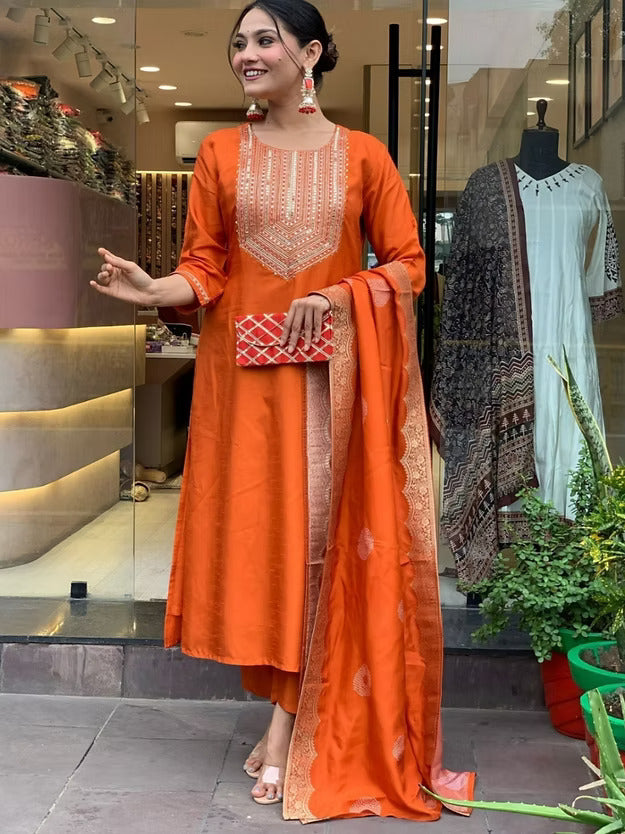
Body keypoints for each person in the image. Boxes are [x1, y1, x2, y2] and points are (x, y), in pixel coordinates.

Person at [92, 0, 474, 822]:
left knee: (323, 545)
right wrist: (156, 288)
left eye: (264, 40)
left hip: (335, 390)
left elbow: (408, 266)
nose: (246, 54)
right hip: (245, 394)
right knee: (266, 550)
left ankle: (287, 727)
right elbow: (205, 266)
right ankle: (287, 717)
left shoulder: (364, 157)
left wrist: (342, 293)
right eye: (238, 43)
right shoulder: (221, 155)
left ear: (311, 54)